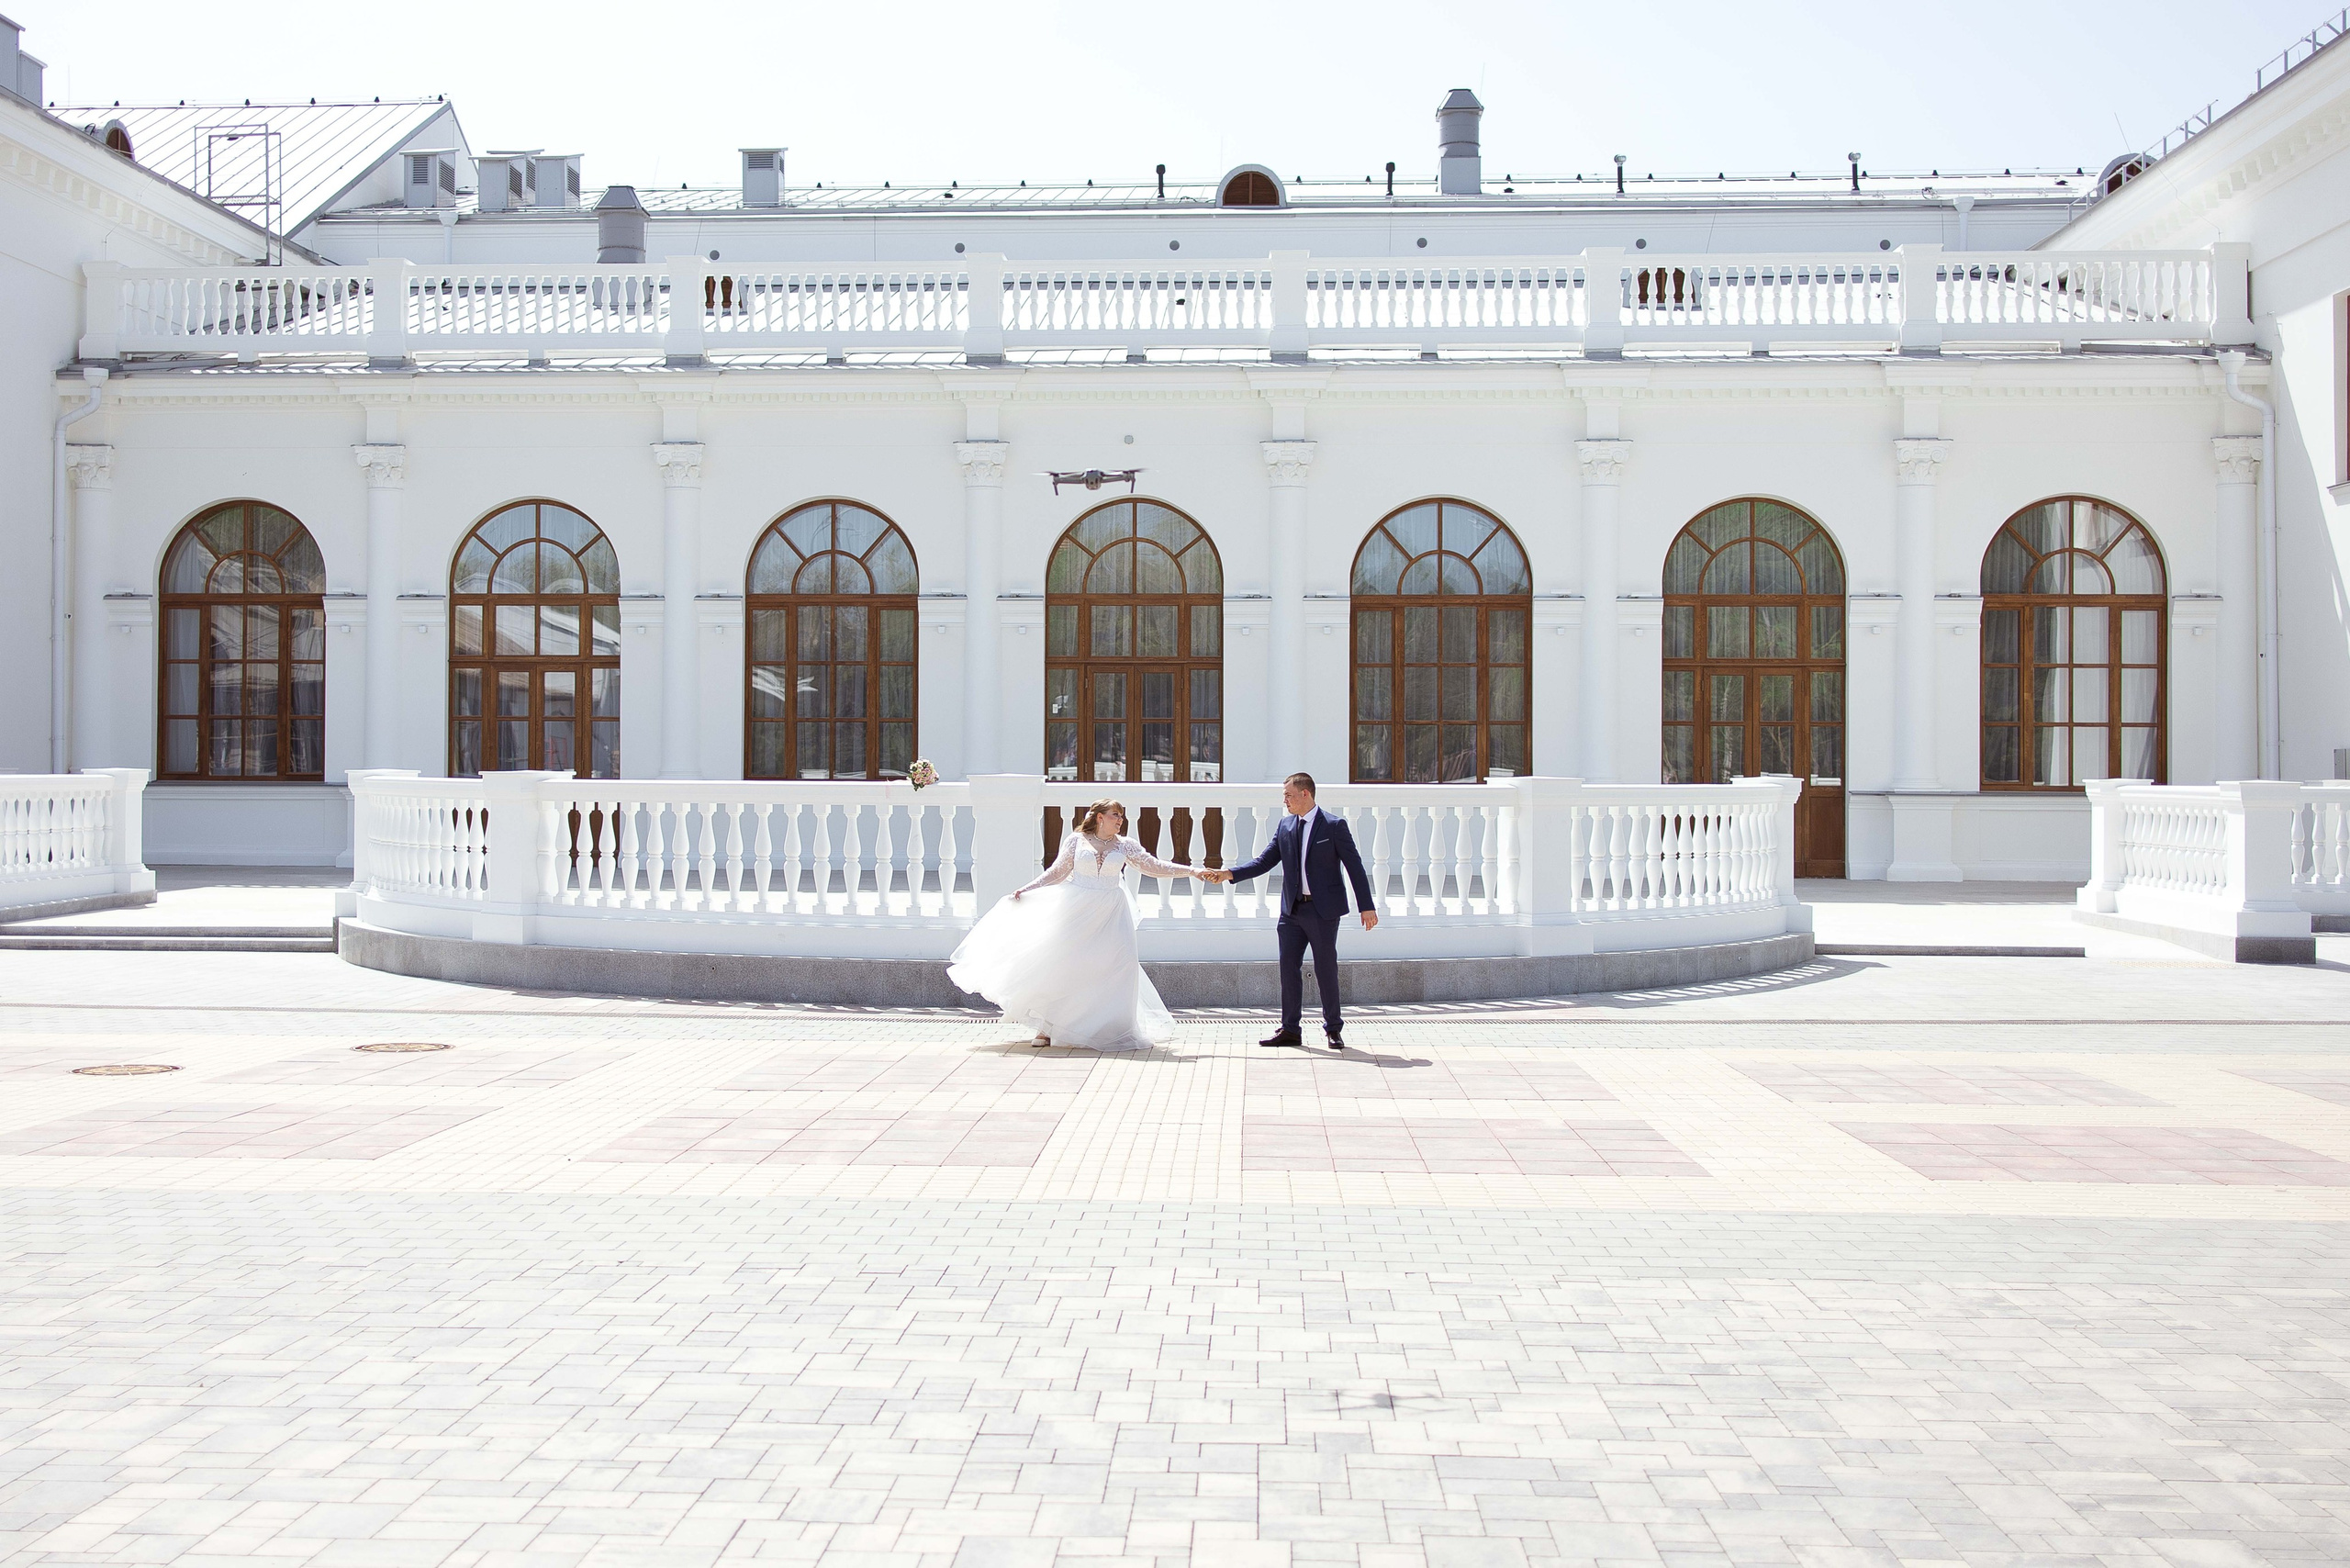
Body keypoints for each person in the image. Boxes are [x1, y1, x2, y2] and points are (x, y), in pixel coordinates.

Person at [947, 799, 1214, 1052]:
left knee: (1117, 966)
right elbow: (1058, 871)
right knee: (1064, 964)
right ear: (1100, 817)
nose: (1120, 820)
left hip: (1112, 911)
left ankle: (1113, 1027)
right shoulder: (1077, 840)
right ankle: (1046, 1027)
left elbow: (1154, 866)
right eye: (1115, 815)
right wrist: (1029, 888)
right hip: (1076, 908)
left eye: (1121, 815)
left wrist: (1191, 871)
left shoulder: (1125, 845)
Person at [1211, 772, 1377, 1050]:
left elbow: (1354, 866)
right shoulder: (1285, 825)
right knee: (1288, 969)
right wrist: (1229, 874)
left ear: (1305, 794)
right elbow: (1264, 861)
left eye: (1288, 795)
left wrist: (1366, 906)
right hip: (1291, 911)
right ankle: (1290, 1029)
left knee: (1326, 970)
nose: (1284, 800)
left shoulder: (1334, 826)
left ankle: (1333, 1029)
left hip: (1323, 911)